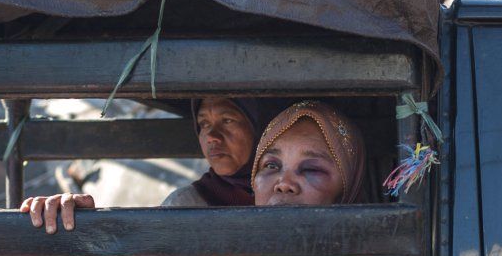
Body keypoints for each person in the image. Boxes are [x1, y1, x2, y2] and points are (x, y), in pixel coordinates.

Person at [22, 98, 365, 230]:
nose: (283, 183)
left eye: (229, 120)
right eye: (271, 165)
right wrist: (82, 227)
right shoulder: (186, 206)